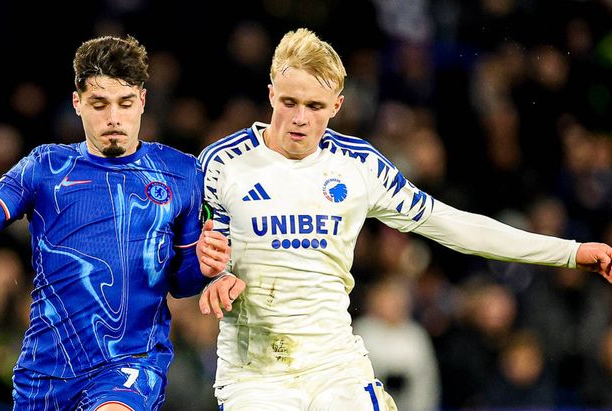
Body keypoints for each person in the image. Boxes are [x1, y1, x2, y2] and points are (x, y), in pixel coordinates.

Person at [198, 28, 612, 411]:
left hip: (335, 369)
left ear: (337, 105)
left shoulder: (358, 165)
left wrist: (570, 252)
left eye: (315, 106)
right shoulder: (222, 163)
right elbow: (196, 253)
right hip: (256, 375)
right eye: (289, 102)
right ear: (271, 94)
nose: (300, 118)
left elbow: (453, 224)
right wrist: (214, 275)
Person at [0, 35, 243, 411]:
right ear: (77, 102)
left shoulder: (181, 173)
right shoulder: (45, 168)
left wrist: (204, 265)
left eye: (125, 103)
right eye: (99, 104)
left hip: (131, 363)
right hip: (45, 374)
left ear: (143, 101)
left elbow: (181, 282)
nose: (113, 118)